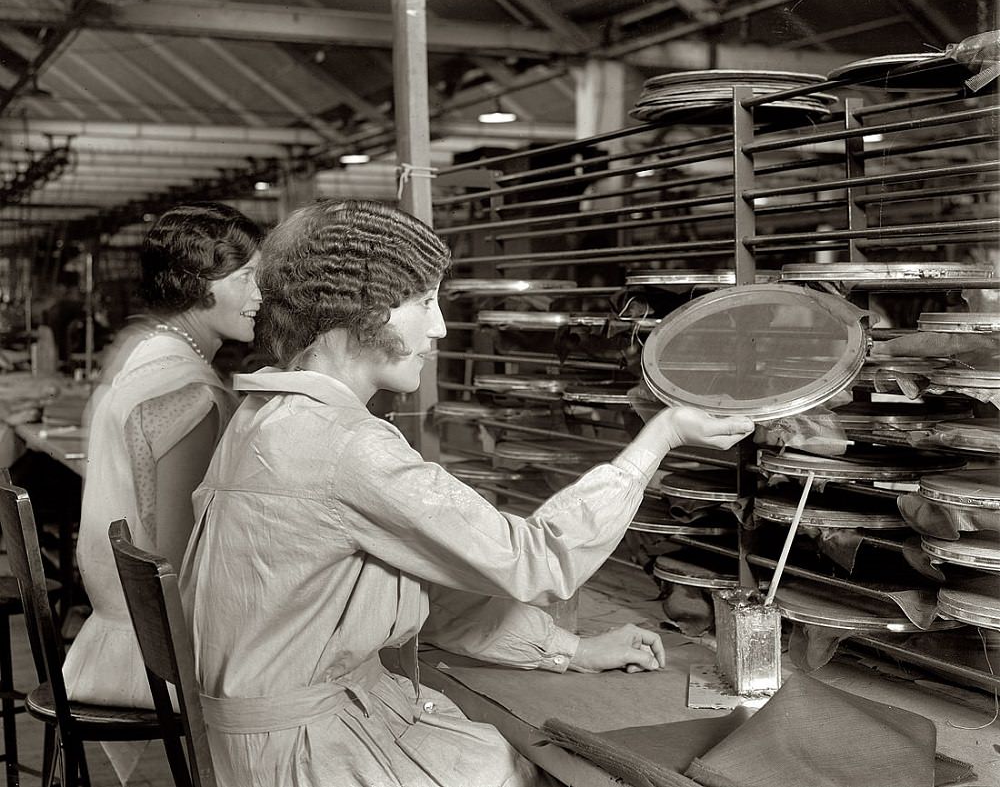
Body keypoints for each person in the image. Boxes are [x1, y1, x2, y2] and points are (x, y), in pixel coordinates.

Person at [179, 199, 753, 787]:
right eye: (424, 302)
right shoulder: (344, 445)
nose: (440, 327)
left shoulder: (265, 413)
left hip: (273, 734)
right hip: (304, 755)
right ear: (362, 309)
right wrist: (662, 436)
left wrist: (569, 650)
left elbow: (417, 583)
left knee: (509, 759)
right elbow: (536, 559)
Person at [62, 202, 263, 781]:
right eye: (246, 276)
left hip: (114, 634)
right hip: (151, 657)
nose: (261, 293)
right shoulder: (190, 392)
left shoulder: (154, 356)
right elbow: (175, 564)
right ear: (198, 281)